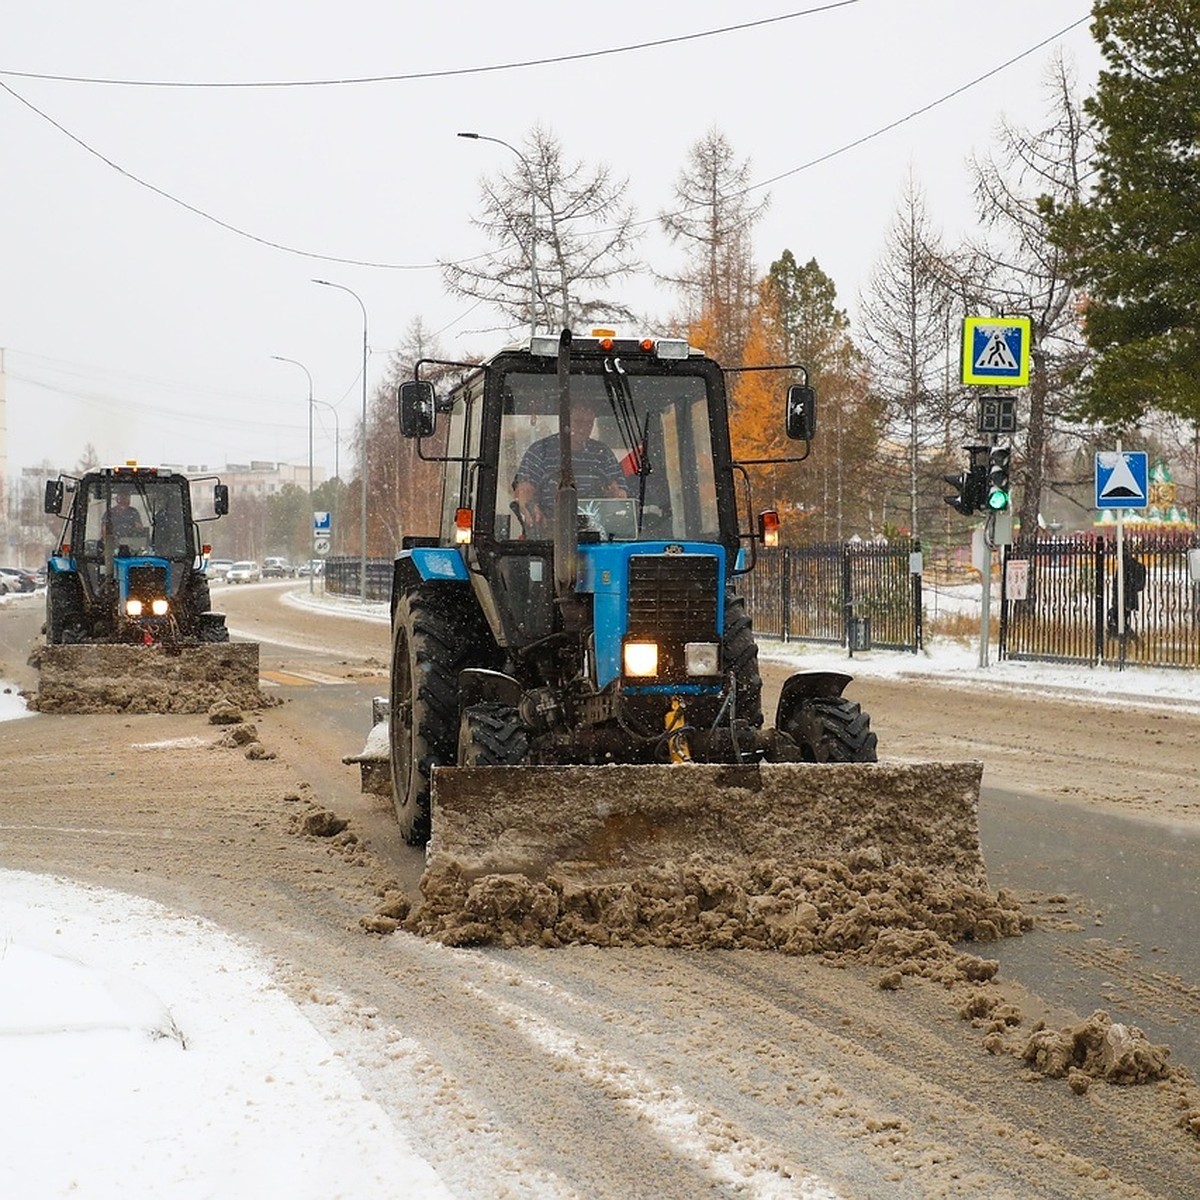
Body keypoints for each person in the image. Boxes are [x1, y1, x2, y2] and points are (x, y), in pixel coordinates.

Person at [513, 395, 627, 530]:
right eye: (578, 422)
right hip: (551, 529)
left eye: (589, 423)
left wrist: (616, 494)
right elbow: (525, 490)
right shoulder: (540, 450)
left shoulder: (602, 453)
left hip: (598, 528)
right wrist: (532, 507)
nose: (584, 428)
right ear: (564, 421)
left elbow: (621, 494)